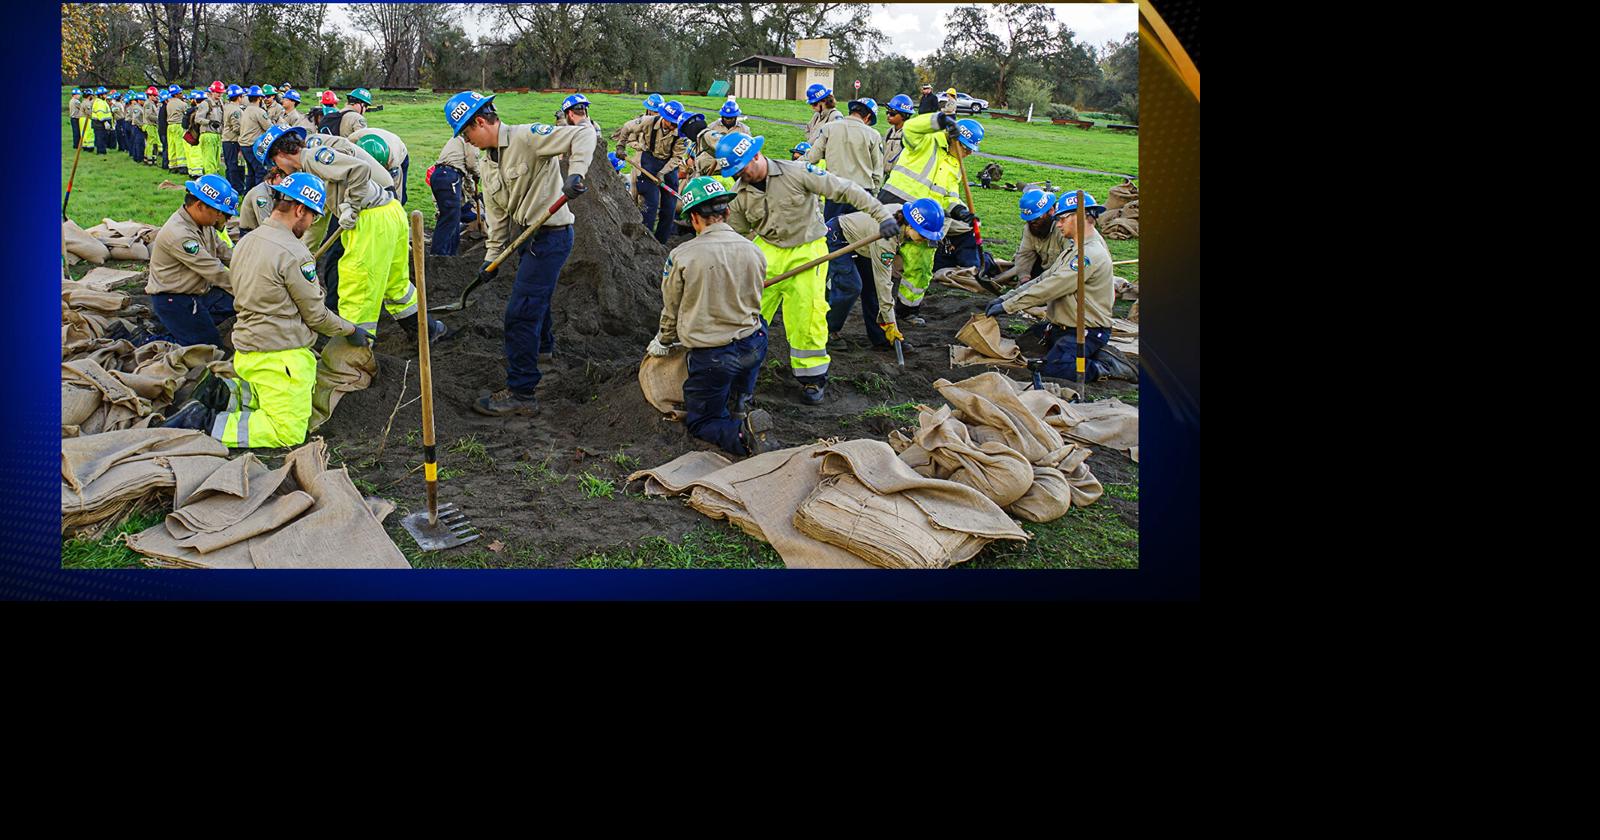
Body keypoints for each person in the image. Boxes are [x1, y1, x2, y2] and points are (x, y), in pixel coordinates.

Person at [162, 173, 373, 446]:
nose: (311, 224)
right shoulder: (295, 254)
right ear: (300, 210)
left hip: (246, 353)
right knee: (287, 431)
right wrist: (351, 330)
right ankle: (204, 422)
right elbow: (317, 316)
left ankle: (223, 394)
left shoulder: (247, 240)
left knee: (261, 397)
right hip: (280, 359)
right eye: (313, 216)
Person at [715, 131, 897, 404]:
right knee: (746, 310)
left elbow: (845, 189)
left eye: (741, 169)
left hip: (807, 250)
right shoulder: (740, 194)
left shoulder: (797, 172)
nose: (739, 176)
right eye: (734, 172)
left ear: (756, 155)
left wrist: (881, 215)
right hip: (767, 249)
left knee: (806, 315)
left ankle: (812, 378)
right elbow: (734, 233)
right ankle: (740, 371)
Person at [443, 91, 592, 417]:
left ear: (479, 122)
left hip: (551, 237)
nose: (466, 141)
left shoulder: (528, 137)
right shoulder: (486, 162)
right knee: (536, 299)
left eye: (466, 133)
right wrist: (491, 257)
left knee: (520, 313)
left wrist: (576, 173)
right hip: (527, 237)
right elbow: (497, 217)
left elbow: (583, 134)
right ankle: (543, 351)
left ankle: (522, 392)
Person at [260, 124, 439, 349]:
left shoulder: (313, 157)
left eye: (274, 163)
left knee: (356, 287)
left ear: (280, 154)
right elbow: (319, 220)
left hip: (371, 218)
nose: (279, 170)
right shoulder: (314, 156)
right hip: (388, 212)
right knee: (396, 285)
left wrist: (352, 206)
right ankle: (428, 330)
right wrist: (306, 254)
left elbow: (360, 169)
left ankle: (352, 355)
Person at [648, 176, 775, 456]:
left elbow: (672, 307)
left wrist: (664, 340)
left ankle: (742, 436)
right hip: (754, 344)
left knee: (702, 421)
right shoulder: (755, 250)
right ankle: (741, 400)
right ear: (727, 212)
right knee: (756, 337)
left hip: (715, 356)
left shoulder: (682, 256)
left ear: (694, 218)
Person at [984, 191, 1136, 383]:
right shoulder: (1074, 249)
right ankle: (1079, 353)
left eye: (1063, 219)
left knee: (1055, 368)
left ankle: (1105, 366)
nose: (1058, 224)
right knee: (1027, 342)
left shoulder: (1089, 254)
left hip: (1085, 330)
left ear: (1080, 218)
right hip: (1061, 326)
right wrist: (1006, 298)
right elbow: (1045, 278)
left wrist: (1008, 306)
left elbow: (1051, 287)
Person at [881, 110, 985, 325]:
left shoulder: (956, 165)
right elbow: (911, 127)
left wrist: (959, 210)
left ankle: (907, 310)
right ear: (954, 138)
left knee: (920, 266)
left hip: (927, 221)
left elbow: (949, 195)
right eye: (966, 148)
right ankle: (866, 300)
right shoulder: (926, 140)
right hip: (896, 206)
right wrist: (940, 120)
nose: (968, 154)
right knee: (877, 257)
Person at [824, 198, 945, 350]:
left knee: (873, 289)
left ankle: (882, 338)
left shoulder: (903, 216)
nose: (925, 240)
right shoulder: (886, 238)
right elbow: (884, 283)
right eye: (923, 235)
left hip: (864, 242)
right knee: (850, 286)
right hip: (838, 237)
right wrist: (891, 323)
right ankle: (828, 331)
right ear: (911, 225)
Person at [146, 174, 238, 347]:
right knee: (207, 346)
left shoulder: (204, 224)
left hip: (199, 292)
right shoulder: (180, 234)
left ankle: (184, 326)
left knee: (230, 302)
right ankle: (149, 339)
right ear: (199, 206)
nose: (220, 216)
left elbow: (225, 252)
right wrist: (250, 291)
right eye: (217, 211)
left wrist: (251, 270)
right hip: (175, 299)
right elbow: (214, 271)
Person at [619, 98, 687, 245]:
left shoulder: (681, 133)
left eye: (676, 123)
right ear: (664, 118)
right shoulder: (648, 121)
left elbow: (677, 157)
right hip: (649, 161)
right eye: (671, 123)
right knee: (651, 203)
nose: (674, 126)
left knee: (669, 206)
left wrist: (662, 173)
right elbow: (627, 127)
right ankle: (645, 239)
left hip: (669, 165)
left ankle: (661, 242)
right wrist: (620, 146)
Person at [805, 98, 883, 218]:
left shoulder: (829, 128)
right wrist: (874, 194)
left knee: (831, 227)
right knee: (856, 228)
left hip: (835, 189)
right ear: (868, 117)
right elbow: (877, 171)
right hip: (861, 192)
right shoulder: (874, 135)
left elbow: (812, 157)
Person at [429, 131, 481, 256]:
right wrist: (478, 174)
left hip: (441, 175)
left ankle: (451, 254)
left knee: (454, 216)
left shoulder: (459, 138)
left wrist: (472, 194)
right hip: (449, 176)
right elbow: (471, 164)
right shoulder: (471, 138)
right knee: (450, 217)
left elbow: (467, 176)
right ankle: (439, 256)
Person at [1010, 189, 1066, 284]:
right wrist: (1024, 279)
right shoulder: (1030, 228)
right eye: (1029, 219)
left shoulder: (1063, 230)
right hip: (1042, 275)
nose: (1032, 222)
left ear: (1051, 211)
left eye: (1036, 217)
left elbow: (1070, 267)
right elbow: (1025, 255)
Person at [351, 127, 410, 205]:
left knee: (400, 196)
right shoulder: (351, 144)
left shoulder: (393, 160)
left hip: (400, 152)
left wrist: (396, 205)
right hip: (374, 137)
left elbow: (395, 185)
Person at [239, 85, 273, 190]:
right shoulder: (259, 112)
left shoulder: (246, 110)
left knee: (251, 172)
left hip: (244, 146)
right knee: (260, 171)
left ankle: (248, 193)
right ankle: (260, 193)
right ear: (259, 98)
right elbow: (269, 127)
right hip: (254, 146)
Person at [881, 94, 914, 183]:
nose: (888, 116)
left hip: (900, 180)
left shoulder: (909, 134)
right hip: (886, 178)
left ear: (904, 115)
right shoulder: (889, 132)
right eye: (887, 112)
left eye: (892, 113)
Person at [220, 85, 247, 191]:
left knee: (229, 166)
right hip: (232, 140)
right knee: (234, 166)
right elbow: (237, 127)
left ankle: (229, 187)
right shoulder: (236, 110)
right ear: (239, 97)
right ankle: (237, 188)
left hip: (227, 140)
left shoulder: (227, 107)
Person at [195, 81, 224, 175]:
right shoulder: (205, 103)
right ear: (212, 92)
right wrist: (210, 122)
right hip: (207, 134)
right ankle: (209, 179)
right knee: (209, 160)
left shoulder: (220, 103)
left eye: (221, 92)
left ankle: (214, 178)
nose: (219, 94)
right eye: (217, 92)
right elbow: (198, 119)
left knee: (216, 161)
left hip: (217, 135)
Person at [165, 85, 188, 173]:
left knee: (172, 146)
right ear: (176, 94)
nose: (182, 94)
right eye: (180, 93)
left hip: (170, 126)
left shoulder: (168, 103)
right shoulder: (182, 104)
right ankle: (182, 166)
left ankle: (172, 166)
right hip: (178, 125)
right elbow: (186, 114)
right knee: (180, 146)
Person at [123, 91, 145, 164]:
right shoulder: (136, 108)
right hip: (137, 127)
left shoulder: (138, 107)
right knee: (139, 143)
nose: (144, 102)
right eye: (143, 100)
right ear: (139, 100)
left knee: (136, 142)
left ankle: (136, 157)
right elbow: (136, 119)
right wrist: (141, 126)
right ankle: (139, 158)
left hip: (135, 126)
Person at [142, 87, 162, 166]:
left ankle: (147, 158)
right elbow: (149, 115)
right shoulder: (148, 103)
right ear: (150, 95)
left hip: (151, 125)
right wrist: (158, 119)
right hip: (149, 125)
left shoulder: (151, 103)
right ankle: (150, 159)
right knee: (151, 143)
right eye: (154, 95)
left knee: (149, 142)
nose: (156, 97)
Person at [90, 87, 112, 155]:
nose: (106, 95)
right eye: (105, 94)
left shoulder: (101, 101)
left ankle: (102, 150)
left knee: (101, 137)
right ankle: (101, 152)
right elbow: (100, 113)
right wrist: (105, 122)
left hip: (99, 123)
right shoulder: (99, 103)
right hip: (99, 123)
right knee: (100, 138)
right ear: (100, 95)